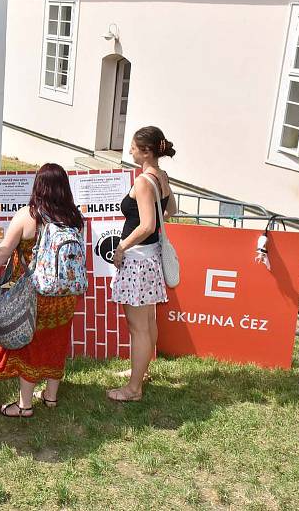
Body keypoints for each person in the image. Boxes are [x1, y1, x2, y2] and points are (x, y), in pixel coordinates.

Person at [0, 163, 84, 418]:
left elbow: (4, 250)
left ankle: (24, 406)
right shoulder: (74, 217)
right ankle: (50, 396)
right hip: (65, 294)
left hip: (34, 295)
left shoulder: (28, 215)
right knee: (56, 341)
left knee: (31, 346)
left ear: (38, 185)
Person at [108, 126, 177, 402]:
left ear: (146, 151)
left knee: (138, 327)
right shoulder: (160, 177)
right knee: (148, 321)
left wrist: (121, 247)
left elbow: (147, 225)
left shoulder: (142, 182)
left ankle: (134, 389)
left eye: (134, 147)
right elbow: (171, 212)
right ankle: (141, 372)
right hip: (150, 259)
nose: (130, 151)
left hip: (137, 260)